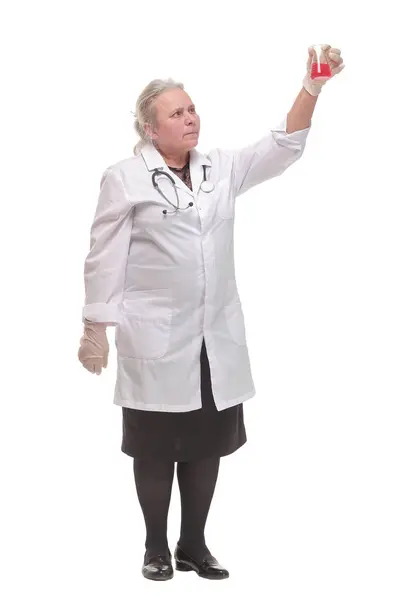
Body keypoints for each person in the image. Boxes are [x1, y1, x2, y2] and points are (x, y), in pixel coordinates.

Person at [78, 45, 345, 581]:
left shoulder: (219, 169)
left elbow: (282, 146)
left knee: (206, 446)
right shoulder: (125, 177)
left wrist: (312, 88)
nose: (190, 118)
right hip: (154, 338)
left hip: (213, 339)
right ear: (150, 129)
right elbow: (104, 252)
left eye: (192, 108)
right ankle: (155, 546)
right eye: (176, 113)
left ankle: (193, 545)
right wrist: (95, 327)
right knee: (154, 448)